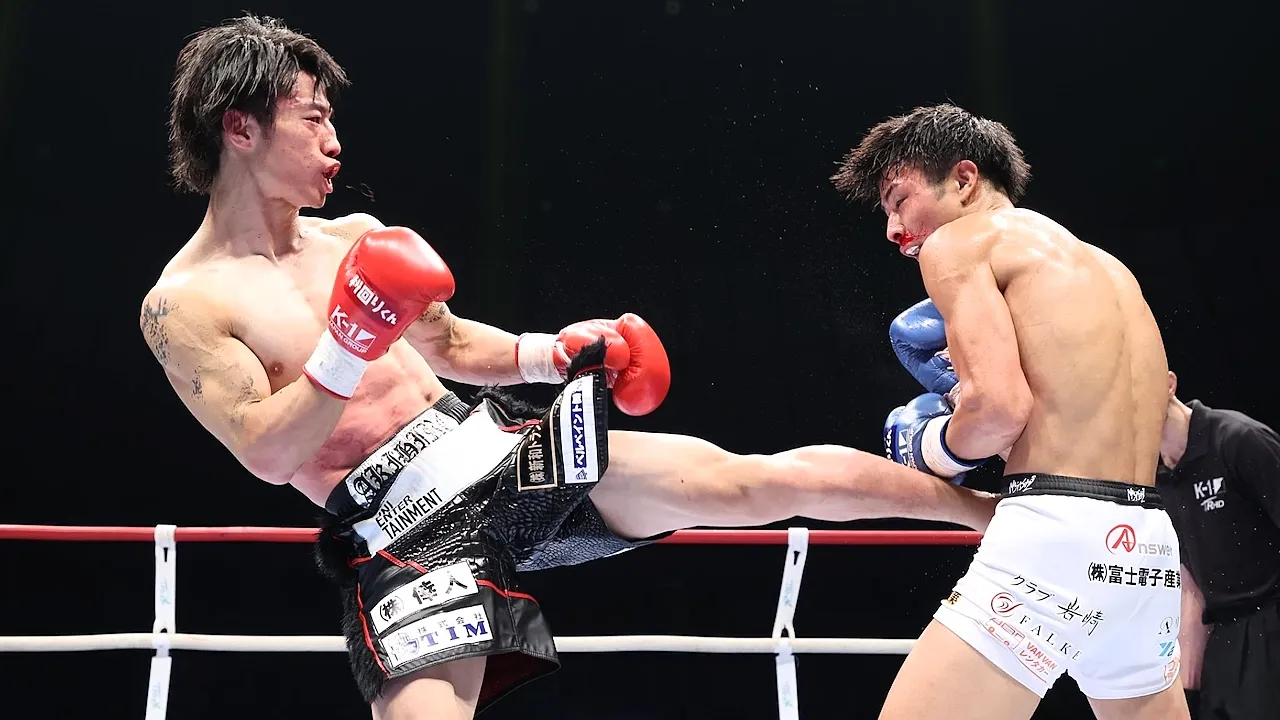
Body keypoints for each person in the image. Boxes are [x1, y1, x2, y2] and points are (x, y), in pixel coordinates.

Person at [140, 17, 1000, 720]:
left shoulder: (355, 241)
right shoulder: (186, 303)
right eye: (312, 118)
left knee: (746, 482)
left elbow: (450, 348)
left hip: (491, 446)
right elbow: (265, 451)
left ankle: (988, 515)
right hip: (401, 528)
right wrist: (348, 341)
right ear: (241, 126)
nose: (334, 140)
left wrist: (553, 352)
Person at [831, 103, 1191, 720]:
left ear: (964, 179)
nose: (892, 229)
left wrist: (930, 446)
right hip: (1149, 553)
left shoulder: (959, 244)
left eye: (899, 199)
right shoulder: (1108, 269)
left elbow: (998, 412)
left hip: (1056, 539)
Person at [1155, 371, 1280, 720]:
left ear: (1169, 383)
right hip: (1223, 639)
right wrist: (1187, 681)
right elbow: (1190, 581)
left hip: (1271, 623)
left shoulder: (1237, 439)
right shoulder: (1157, 479)